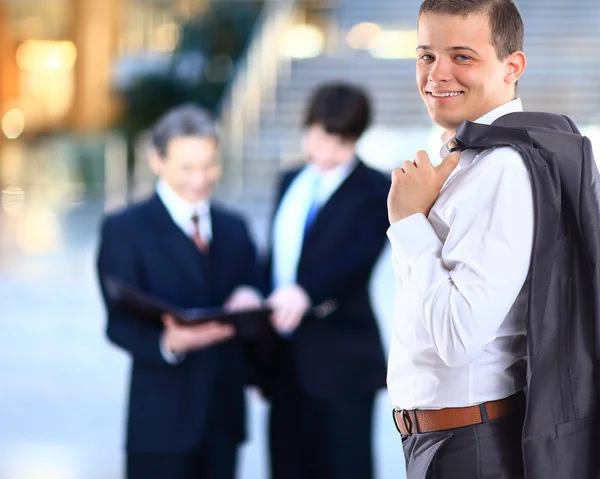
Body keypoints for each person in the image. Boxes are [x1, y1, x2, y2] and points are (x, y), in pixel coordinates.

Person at [386, 0, 533, 477]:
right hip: (445, 439)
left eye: (462, 56)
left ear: (512, 66)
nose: (436, 74)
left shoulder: (503, 169)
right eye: (426, 55)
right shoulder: (462, 155)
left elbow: (458, 337)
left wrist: (408, 221)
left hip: (469, 445)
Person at [96, 104, 263, 479]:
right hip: (160, 421)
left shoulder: (234, 228)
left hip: (223, 416)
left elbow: (257, 283)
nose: (200, 178)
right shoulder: (124, 229)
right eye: (187, 167)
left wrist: (252, 295)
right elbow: (117, 324)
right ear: (157, 160)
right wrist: (169, 343)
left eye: (209, 165)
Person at [261, 82, 390, 479]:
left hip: (343, 360)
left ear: (356, 139)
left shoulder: (376, 189)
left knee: (344, 467)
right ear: (307, 128)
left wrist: (306, 292)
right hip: (284, 359)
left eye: (340, 144)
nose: (327, 152)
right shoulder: (290, 181)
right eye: (319, 138)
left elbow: (357, 259)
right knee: (287, 465)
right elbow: (277, 258)